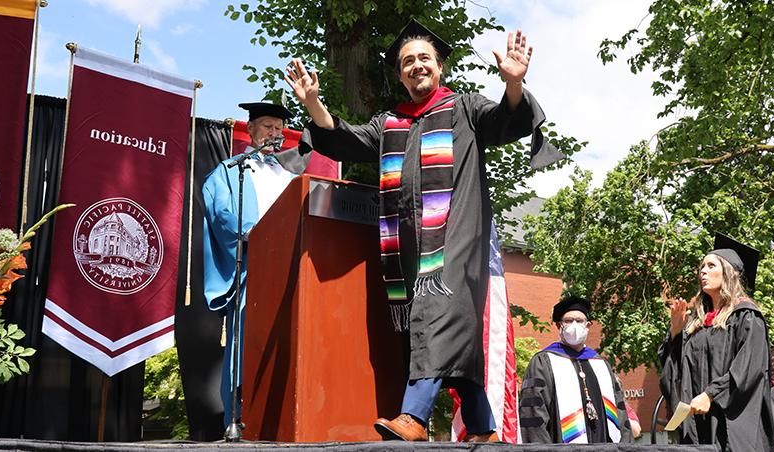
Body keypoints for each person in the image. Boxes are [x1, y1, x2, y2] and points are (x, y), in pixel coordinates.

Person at [284, 20, 562, 441]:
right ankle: (484, 427)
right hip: (410, 251)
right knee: (449, 334)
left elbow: (510, 119)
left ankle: (413, 416)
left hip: (459, 241)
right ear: (399, 74)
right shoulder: (390, 124)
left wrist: (514, 85)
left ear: (440, 67)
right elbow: (343, 140)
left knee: (435, 313)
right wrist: (315, 105)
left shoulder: (465, 109)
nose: (417, 66)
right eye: (407, 61)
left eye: (424, 59)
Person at [202, 102, 310, 427]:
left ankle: (284, 415)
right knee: (247, 343)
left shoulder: (291, 176)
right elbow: (221, 212)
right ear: (250, 130)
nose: (275, 134)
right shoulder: (232, 170)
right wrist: (252, 233)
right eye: (267, 127)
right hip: (254, 268)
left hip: (291, 267)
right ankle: (238, 415)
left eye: (279, 129)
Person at [659, 233, 774, 451]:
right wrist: (675, 334)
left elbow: (748, 370)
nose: (703, 271)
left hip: (732, 425)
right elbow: (675, 375)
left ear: (730, 272)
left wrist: (711, 395)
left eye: (711, 265)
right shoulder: (697, 324)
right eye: (701, 266)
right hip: (698, 427)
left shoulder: (747, 317)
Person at [518, 296, 632, 444]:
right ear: (559, 326)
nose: (574, 325)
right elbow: (533, 414)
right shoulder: (543, 362)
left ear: (588, 326)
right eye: (568, 321)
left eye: (579, 321)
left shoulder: (601, 363)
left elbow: (621, 414)